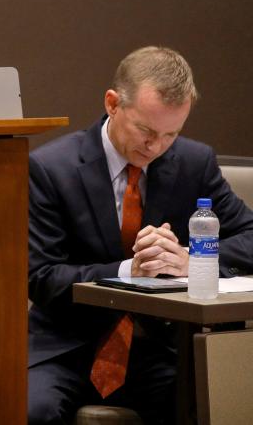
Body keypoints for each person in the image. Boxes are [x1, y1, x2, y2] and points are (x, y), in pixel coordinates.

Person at [27, 46, 253, 424]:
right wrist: (129, 271)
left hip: (159, 347)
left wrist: (193, 258)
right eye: (146, 130)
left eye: (171, 134)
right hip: (67, 346)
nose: (156, 147)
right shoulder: (51, 169)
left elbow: (250, 236)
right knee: (33, 411)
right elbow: (42, 278)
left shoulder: (194, 163)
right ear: (113, 104)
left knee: (219, 400)